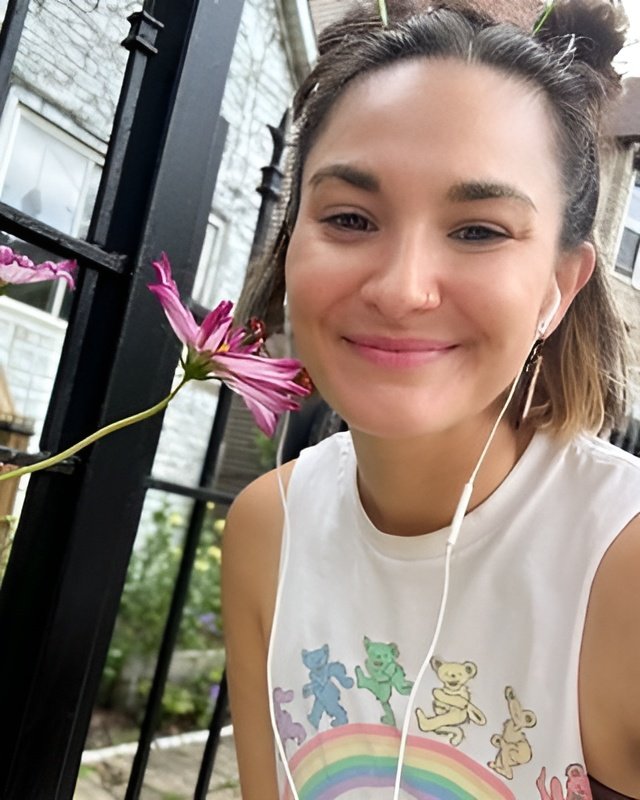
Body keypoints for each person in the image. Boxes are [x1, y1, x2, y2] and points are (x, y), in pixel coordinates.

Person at [221, 1, 640, 798]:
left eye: (479, 230)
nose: (401, 289)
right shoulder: (268, 531)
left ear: (558, 287)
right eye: (351, 218)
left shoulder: (620, 564)